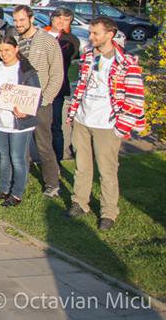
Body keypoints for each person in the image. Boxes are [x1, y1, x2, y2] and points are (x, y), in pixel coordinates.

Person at [66, 17, 145, 231]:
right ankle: (80, 202)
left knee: (107, 170)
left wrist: (122, 126)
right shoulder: (88, 56)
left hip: (107, 124)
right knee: (82, 166)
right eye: (91, 33)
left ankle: (108, 211)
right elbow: (82, 85)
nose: (91, 37)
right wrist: (73, 112)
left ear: (109, 34)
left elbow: (135, 97)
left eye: (95, 34)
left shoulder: (126, 62)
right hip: (83, 120)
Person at [12, 5, 65, 198]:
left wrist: (46, 99)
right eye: (15, 21)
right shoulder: (15, 41)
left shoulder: (47, 41)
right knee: (21, 146)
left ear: (31, 18)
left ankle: (52, 183)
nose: (18, 24)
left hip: (41, 102)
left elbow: (57, 74)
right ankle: (20, 181)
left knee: (43, 145)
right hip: (19, 100)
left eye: (22, 20)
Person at [0, 36, 41, 207]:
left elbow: (36, 97)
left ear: (16, 49)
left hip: (18, 123)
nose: (4, 54)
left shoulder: (26, 71)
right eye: (1, 50)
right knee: (4, 156)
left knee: (17, 158)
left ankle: (17, 193)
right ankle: (4, 189)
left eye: (7, 50)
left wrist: (25, 112)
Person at [45, 7, 80, 163]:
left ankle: (56, 160)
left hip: (57, 88)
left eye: (66, 19)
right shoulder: (40, 34)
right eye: (58, 17)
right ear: (52, 18)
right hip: (36, 85)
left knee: (55, 125)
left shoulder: (70, 40)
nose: (61, 21)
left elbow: (65, 58)